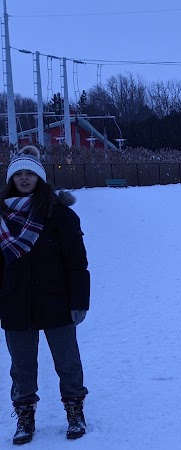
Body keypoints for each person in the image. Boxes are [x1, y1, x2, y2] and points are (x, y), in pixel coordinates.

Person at [0, 146, 90, 444]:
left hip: (57, 300)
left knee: (67, 361)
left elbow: (76, 262)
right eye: (19, 174)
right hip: (15, 302)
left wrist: (79, 302)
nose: (24, 179)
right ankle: (25, 416)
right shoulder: (2, 216)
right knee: (21, 367)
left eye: (30, 174)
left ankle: (74, 410)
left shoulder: (60, 215)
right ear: (11, 180)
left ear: (40, 178)